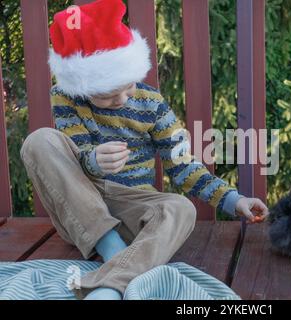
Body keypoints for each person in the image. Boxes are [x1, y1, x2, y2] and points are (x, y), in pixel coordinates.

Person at [20, 0, 269, 300]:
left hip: (136, 210)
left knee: (181, 209)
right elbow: (78, 161)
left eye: (129, 87)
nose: (123, 99)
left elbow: (182, 164)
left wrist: (233, 199)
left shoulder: (152, 104)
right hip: (82, 209)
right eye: (110, 95)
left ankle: (109, 284)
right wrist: (95, 162)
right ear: (83, 87)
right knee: (39, 140)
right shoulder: (66, 98)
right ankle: (112, 249)